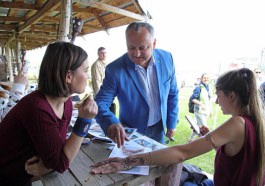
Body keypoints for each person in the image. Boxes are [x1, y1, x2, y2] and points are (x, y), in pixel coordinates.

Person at [92, 68, 265, 186]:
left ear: (232, 96)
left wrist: (126, 162)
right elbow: (241, 159)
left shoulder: (237, 124)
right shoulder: (255, 122)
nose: (217, 101)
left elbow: (182, 153)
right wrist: (215, 144)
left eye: (219, 96)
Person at [0, 41, 98, 186]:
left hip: (21, 174)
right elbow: (60, 163)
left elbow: (59, 152)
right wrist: (84, 121)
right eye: (85, 70)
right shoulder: (37, 107)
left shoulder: (67, 103)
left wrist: (47, 166)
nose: (88, 76)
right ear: (68, 76)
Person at [95, 21, 179, 147]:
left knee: (156, 165)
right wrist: (111, 122)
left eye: (142, 48)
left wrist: (171, 123)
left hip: (158, 128)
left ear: (154, 44)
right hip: (131, 133)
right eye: (131, 48)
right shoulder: (114, 69)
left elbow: (172, 93)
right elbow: (100, 102)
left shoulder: (167, 58)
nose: (136, 54)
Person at [91, 47, 116, 114]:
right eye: (102, 53)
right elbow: (97, 82)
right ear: (98, 54)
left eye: (105, 53)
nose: (104, 54)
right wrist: (101, 98)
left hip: (108, 95)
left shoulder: (106, 64)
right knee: (103, 116)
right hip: (101, 97)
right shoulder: (96, 65)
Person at [189, 73, 213, 141]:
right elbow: (193, 99)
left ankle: (191, 139)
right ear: (201, 79)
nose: (206, 79)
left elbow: (209, 100)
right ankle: (206, 141)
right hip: (199, 111)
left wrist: (211, 111)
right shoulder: (198, 87)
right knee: (204, 127)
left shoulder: (209, 87)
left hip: (206, 111)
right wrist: (201, 104)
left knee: (197, 125)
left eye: (207, 78)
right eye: (204, 78)